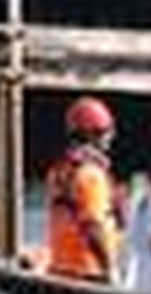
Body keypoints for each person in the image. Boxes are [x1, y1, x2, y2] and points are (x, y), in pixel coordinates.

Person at [44, 95, 125, 281]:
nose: (110, 138)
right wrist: (110, 269)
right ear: (91, 134)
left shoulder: (59, 171)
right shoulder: (90, 175)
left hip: (61, 269)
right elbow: (92, 225)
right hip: (88, 272)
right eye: (106, 131)